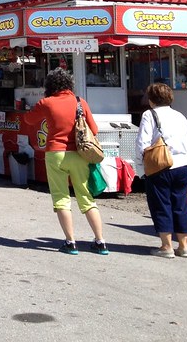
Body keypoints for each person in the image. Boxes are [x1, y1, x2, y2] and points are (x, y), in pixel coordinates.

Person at [22, 67, 109, 256]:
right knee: (86, 198)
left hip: (55, 154)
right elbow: (94, 129)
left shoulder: (46, 103)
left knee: (61, 198)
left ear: (49, 85)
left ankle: (71, 243)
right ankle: (100, 242)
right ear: (69, 83)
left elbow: (28, 120)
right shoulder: (80, 102)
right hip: (79, 154)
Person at [135, 81, 187, 258]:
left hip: (160, 166)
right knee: (181, 205)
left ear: (151, 99)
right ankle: (183, 246)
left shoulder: (149, 114)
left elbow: (142, 144)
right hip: (182, 164)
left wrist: (140, 168)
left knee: (161, 205)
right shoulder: (180, 116)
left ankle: (166, 246)